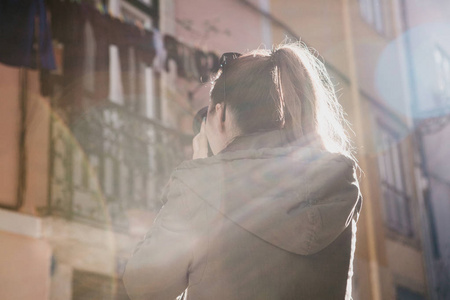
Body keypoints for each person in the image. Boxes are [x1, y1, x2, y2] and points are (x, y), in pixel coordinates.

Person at [123, 43, 362, 300]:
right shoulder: (337, 185)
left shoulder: (199, 187)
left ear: (220, 112)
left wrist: (202, 170)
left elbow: (143, 287)